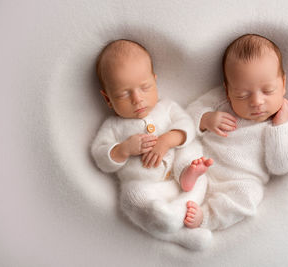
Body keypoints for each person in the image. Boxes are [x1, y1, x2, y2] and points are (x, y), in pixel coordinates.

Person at [91, 39, 212, 250]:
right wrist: (123, 149)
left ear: (154, 81)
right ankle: (178, 232)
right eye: (123, 94)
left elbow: (187, 126)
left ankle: (189, 180)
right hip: (149, 191)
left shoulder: (166, 108)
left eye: (145, 87)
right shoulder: (113, 126)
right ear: (108, 99)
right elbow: (101, 156)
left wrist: (167, 140)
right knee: (130, 198)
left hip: (178, 174)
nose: (137, 99)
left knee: (190, 152)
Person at [182, 34, 288, 230]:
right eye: (242, 94)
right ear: (227, 90)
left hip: (239, 180)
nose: (256, 101)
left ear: (283, 84)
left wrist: (280, 127)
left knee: (250, 195)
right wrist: (205, 119)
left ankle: (206, 218)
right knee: (181, 153)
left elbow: (282, 166)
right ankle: (186, 182)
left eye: (268, 90)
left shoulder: (281, 124)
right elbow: (186, 117)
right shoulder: (220, 102)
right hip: (200, 164)